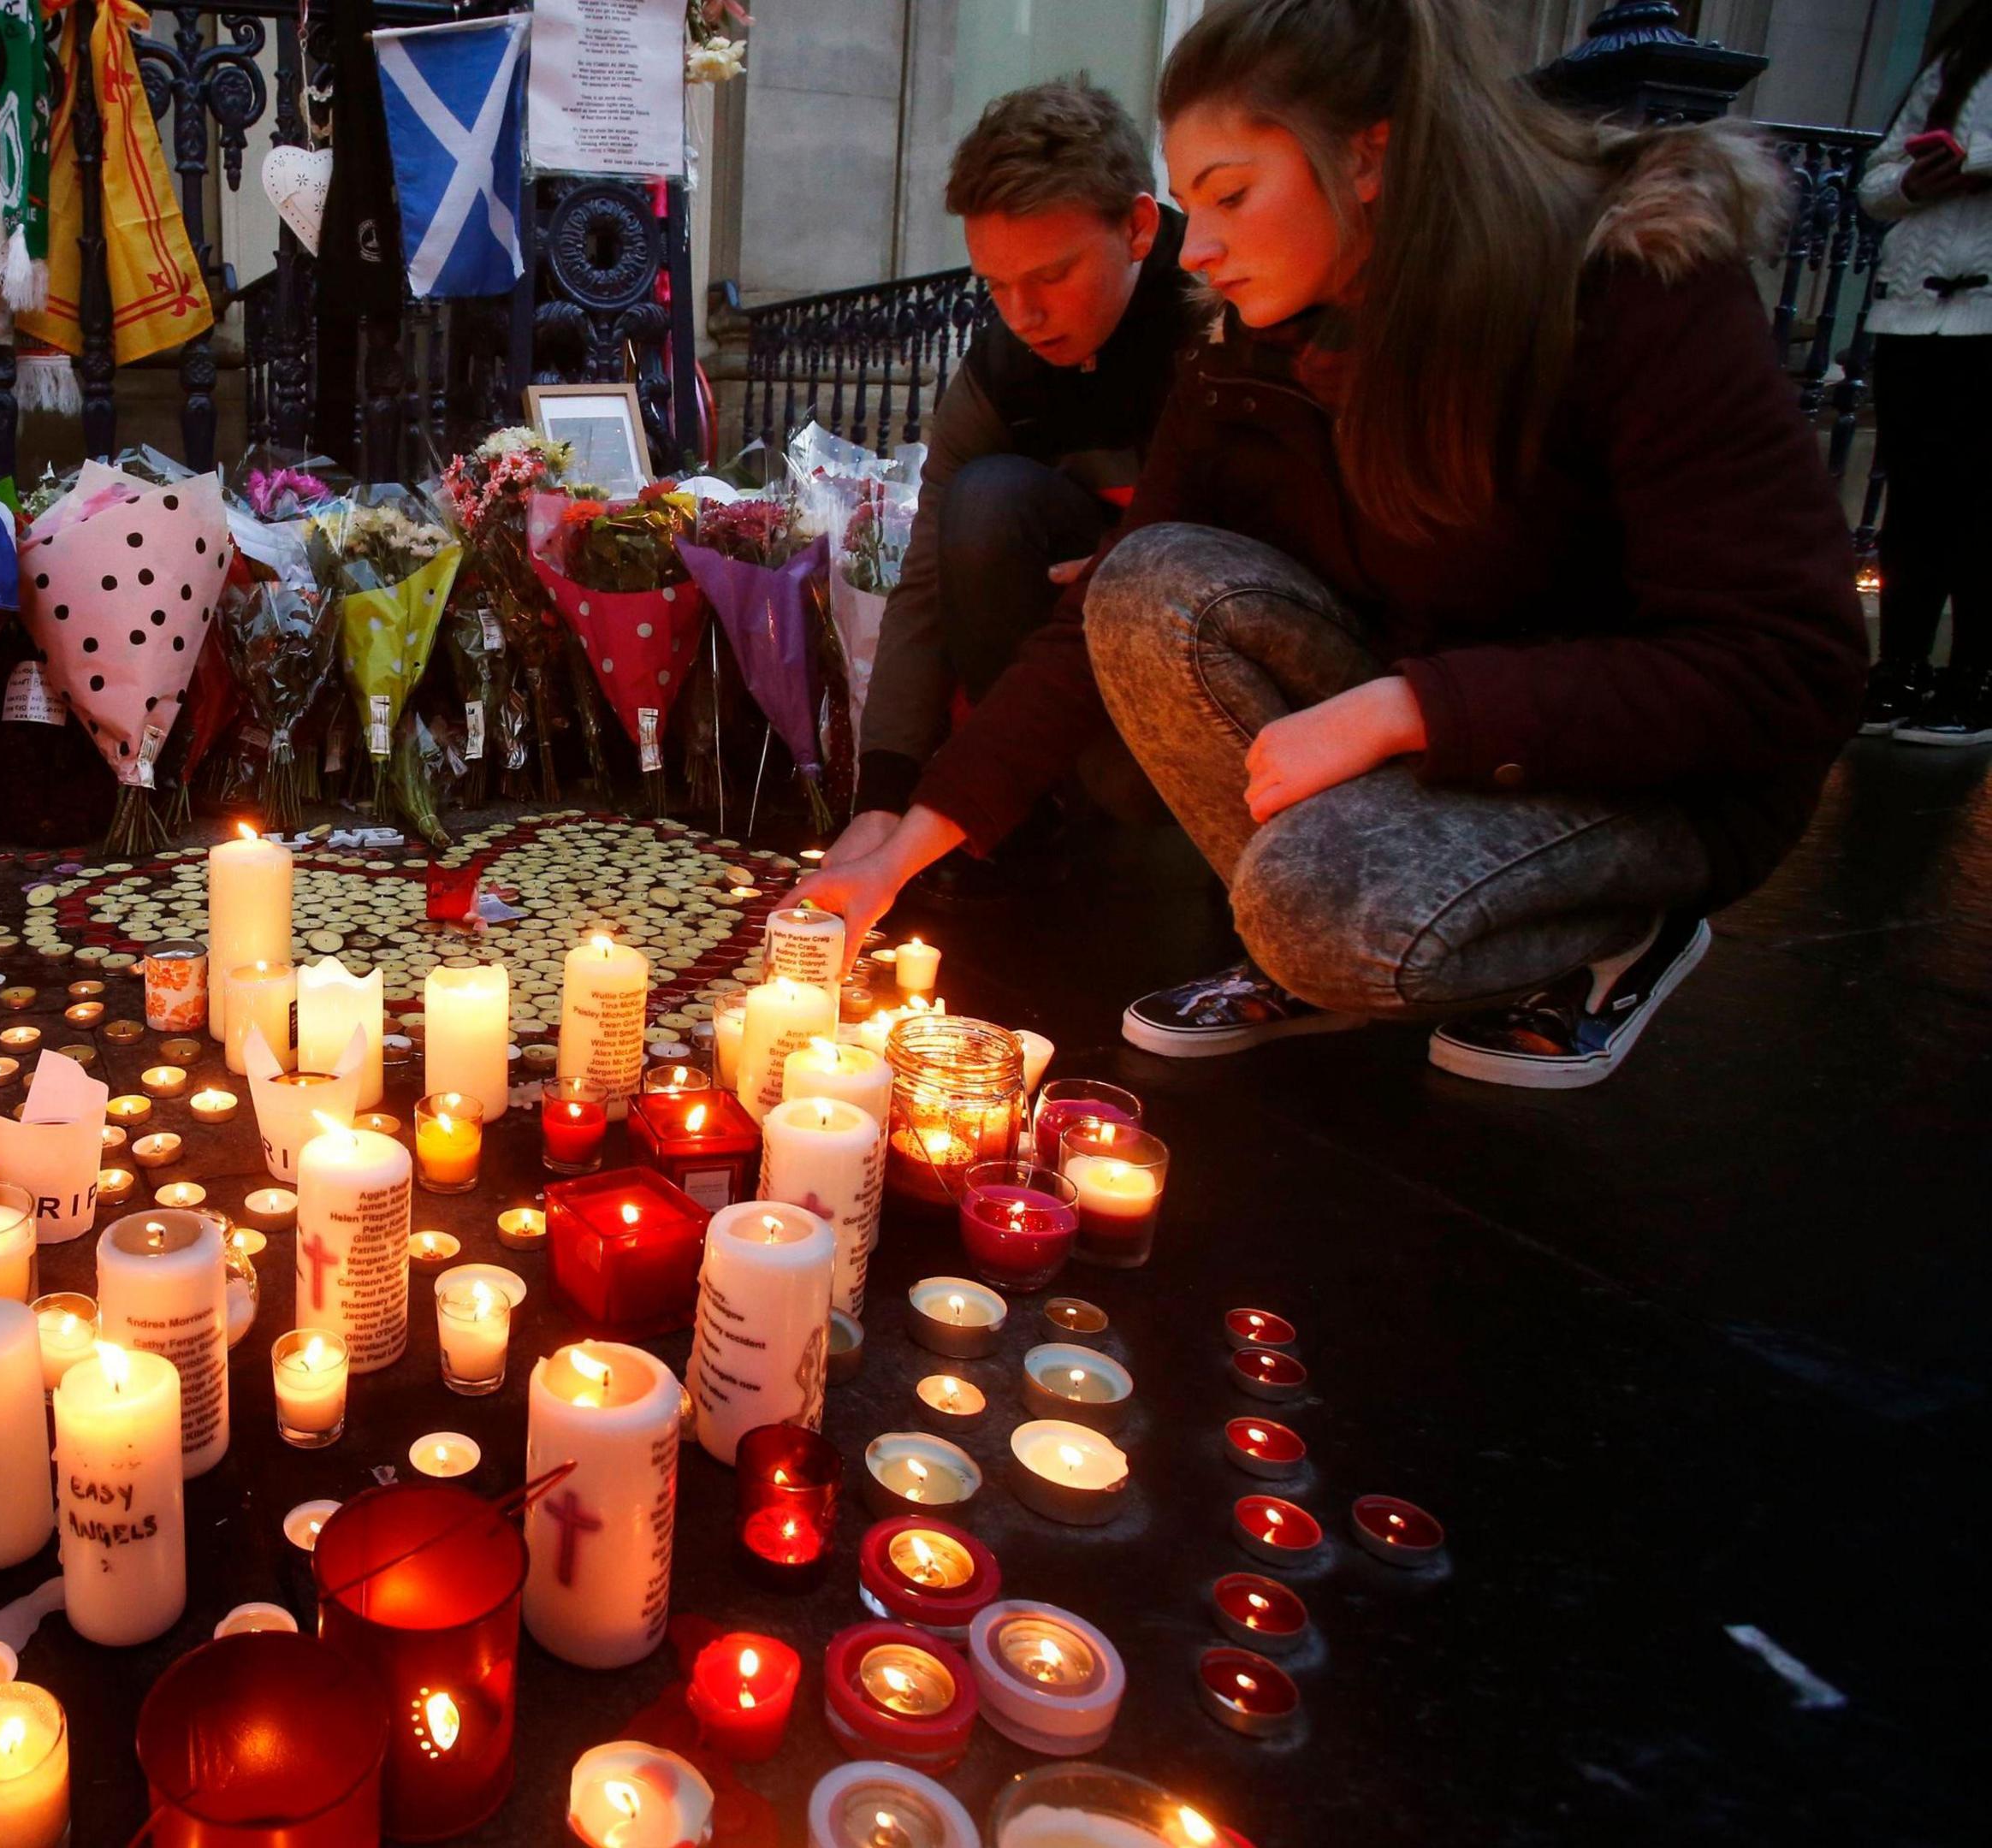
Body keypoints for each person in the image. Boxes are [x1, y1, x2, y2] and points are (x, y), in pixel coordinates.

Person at [798, 0, 1865, 1089]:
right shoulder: (1254, 344)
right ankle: (1303, 945)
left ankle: (1625, 926)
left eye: (1230, 195)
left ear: (1369, 160)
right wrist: (908, 835)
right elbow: (1097, 616)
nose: (1197, 245)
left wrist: (1413, 709)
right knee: (1146, 580)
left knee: (1319, 908)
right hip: (1439, 730)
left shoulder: (1628, 288)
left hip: (1648, 777)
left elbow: (1793, 666)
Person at [854, 80, 1195, 823]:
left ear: (1139, 227)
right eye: (997, 285)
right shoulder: (1001, 372)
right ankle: (1027, 818)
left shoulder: (1220, 315)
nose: (1025, 315)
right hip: (1065, 647)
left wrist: (1127, 562)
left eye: (1051, 275)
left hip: (1203, 646)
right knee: (981, 505)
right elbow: (924, 587)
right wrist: (882, 799)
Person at [1857, 1, 1992, 745]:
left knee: (1983, 509)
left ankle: (1975, 679)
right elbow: (1875, 187)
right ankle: (1901, 669)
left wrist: (1972, 161)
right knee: (1915, 503)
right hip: (1913, 314)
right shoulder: (1953, 61)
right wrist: (1917, 181)